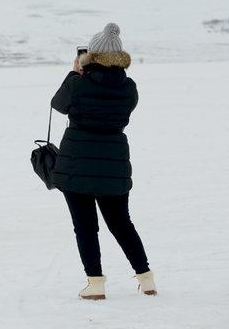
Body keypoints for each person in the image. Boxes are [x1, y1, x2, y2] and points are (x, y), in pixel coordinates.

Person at [50, 23, 157, 299]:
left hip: (77, 164)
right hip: (114, 163)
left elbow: (58, 104)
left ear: (92, 55)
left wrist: (73, 73)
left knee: (85, 226)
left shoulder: (77, 83)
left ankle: (95, 283)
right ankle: (146, 279)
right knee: (122, 224)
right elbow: (124, 109)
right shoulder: (129, 88)